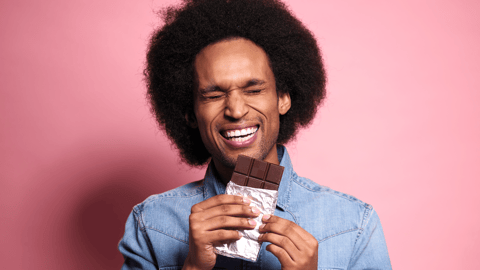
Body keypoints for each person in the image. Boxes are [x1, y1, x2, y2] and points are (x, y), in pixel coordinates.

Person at [118, 0, 392, 269]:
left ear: (283, 98)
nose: (236, 110)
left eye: (253, 90)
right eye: (214, 95)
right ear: (190, 113)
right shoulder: (150, 224)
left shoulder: (354, 225)